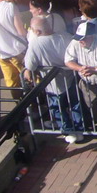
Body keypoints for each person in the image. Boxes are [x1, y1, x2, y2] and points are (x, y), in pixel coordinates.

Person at [24, 13, 84, 144]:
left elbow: (30, 65)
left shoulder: (35, 44)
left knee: (57, 107)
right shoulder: (65, 36)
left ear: (37, 31)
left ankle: (67, 130)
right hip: (70, 77)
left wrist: (29, 71)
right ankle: (79, 129)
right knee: (75, 103)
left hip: (51, 83)